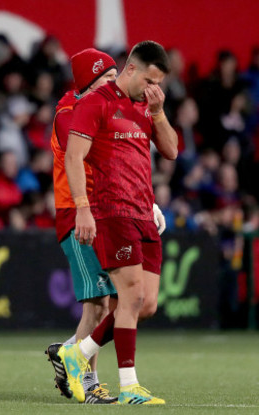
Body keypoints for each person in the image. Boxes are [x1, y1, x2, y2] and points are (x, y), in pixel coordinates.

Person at [56, 42, 176, 405]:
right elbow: (74, 158)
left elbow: (171, 150)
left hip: (144, 212)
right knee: (124, 297)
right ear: (132, 70)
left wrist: (158, 113)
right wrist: (82, 208)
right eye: (151, 80)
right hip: (112, 211)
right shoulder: (92, 104)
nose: (154, 88)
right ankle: (128, 387)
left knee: (147, 304)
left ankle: (76, 354)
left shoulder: (146, 106)